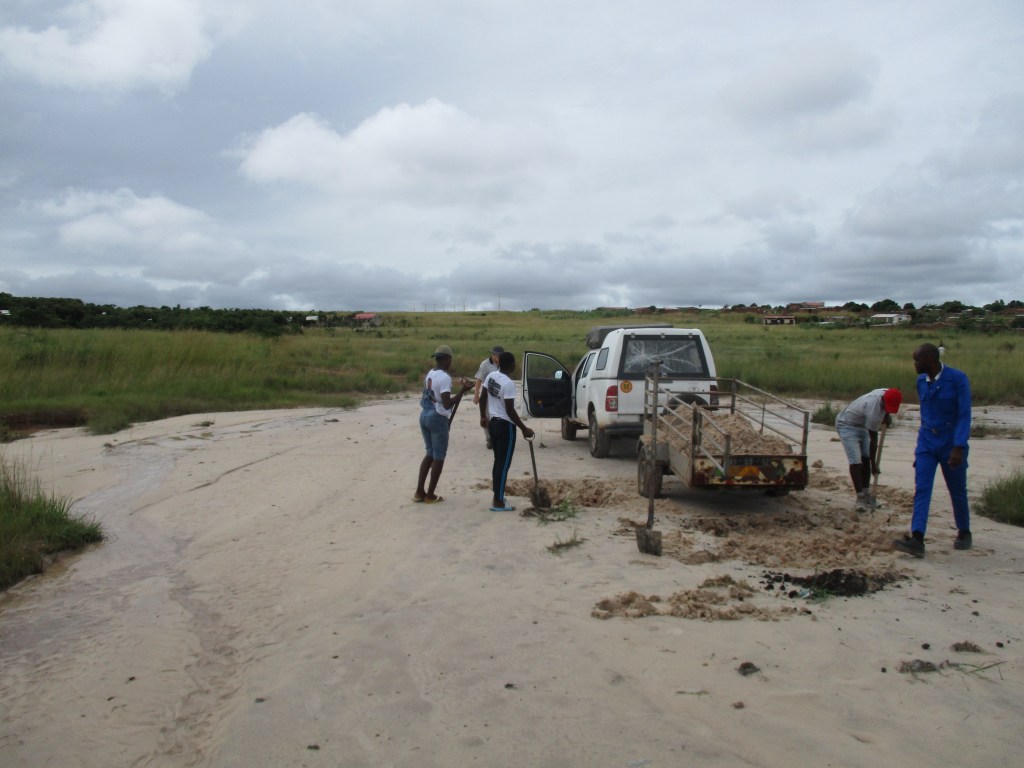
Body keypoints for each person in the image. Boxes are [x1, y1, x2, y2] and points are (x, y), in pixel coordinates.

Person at [894, 343, 973, 557]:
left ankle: (964, 531)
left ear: (929, 359)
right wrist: (920, 448)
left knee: (957, 489)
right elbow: (925, 413)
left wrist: (959, 446)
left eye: (917, 359)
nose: (914, 364)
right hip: (927, 442)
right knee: (922, 488)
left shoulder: (957, 379)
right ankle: (917, 538)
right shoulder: (921, 381)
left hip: (951, 442)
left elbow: (964, 414)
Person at [414, 345, 472, 504]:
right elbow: (447, 404)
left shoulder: (430, 373)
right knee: (439, 456)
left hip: (424, 414)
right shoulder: (445, 378)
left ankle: (419, 491)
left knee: (429, 453)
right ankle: (430, 495)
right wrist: (463, 391)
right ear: (447, 359)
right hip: (437, 417)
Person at [479, 351, 534, 511]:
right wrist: (524, 428)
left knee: (498, 462)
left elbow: (483, 398)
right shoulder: (508, 384)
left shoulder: (491, 376)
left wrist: (483, 416)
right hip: (505, 426)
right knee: (503, 465)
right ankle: (498, 502)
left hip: (493, 423)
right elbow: (510, 410)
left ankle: (498, 494)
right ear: (511, 365)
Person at [834, 388, 902, 511]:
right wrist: (874, 465)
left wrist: (886, 415)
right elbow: (874, 442)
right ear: (883, 400)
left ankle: (866, 494)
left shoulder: (886, 392)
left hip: (862, 425)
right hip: (847, 425)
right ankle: (860, 497)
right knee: (856, 461)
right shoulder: (873, 410)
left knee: (865, 458)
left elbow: (886, 409)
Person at [473, 345, 504, 449]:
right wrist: (476, 395)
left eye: (501, 355)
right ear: (493, 355)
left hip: (499, 395)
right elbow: (478, 380)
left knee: (499, 416)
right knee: (486, 416)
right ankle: (489, 439)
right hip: (487, 395)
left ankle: (497, 437)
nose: (499, 357)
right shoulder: (485, 364)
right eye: (497, 355)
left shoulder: (503, 364)